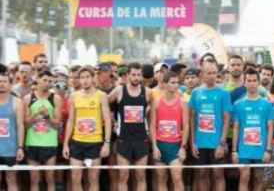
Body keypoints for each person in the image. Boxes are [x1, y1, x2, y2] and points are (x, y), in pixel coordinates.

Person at [63, 66, 112, 191]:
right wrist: (65, 144)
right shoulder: (74, 96)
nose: (84, 80)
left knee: (93, 179)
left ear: (93, 78)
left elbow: (107, 120)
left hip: (95, 143)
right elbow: (70, 120)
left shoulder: (101, 96)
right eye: (82, 77)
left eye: (87, 77)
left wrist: (106, 143)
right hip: (77, 142)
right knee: (75, 177)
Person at [108, 62, 152, 191]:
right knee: (123, 176)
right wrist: (113, 121)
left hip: (141, 139)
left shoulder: (148, 92)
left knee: (141, 176)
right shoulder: (119, 90)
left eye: (139, 75)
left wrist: (148, 114)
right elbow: (104, 103)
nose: (136, 78)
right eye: (133, 74)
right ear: (127, 75)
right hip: (124, 139)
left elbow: (153, 112)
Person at [189, 59, 232, 191]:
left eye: (214, 73)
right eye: (209, 73)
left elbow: (227, 119)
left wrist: (222, 143)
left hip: (216, 143)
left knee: (218, 175)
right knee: (201, 174)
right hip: (200, 143)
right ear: (202, 74)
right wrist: (192, 142)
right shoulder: (196, 92)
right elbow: (192, 119)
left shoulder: (223, 93)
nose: (212, 76)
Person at [231, 68, 274, 191]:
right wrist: (234, 151)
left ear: (258, 82)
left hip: (261, 149)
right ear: (244, 83)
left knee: (258, 178)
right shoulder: (238, 104)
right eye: (249, 80)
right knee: (244, 177)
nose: (251, 83)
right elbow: (236, 128)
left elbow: (270, 127)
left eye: (254, 80)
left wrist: (268, 150)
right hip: (244, 149)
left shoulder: (266, 104)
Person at [150, 71, 190, 191]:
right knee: (161, 178)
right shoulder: (156, 102)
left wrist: (183, 147)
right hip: (160, 144)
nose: (176, 85)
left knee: (177, 177)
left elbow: (186, 126)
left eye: (177, 82)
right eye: (173, 82)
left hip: (175, 145)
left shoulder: (182, 103)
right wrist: (154, 146)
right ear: (165, 84)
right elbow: (152, 125)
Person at [24, 70, 62, 191]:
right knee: (34, 180)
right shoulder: (28, 98)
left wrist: (47, 116)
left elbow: (57, 125)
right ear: (38, 80)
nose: (47, 83)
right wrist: (36, 114)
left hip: (49, 143)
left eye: (50, 81)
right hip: (32, 143)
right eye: (45, 80)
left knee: (50, 178)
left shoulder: (55, 98)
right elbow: (25, 125)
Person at [0, 70, 25, 191]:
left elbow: (20, 125)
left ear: (10, 84)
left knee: (12, 180)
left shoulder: (17, 102)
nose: (1, 84)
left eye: (4, 81)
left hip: (11, 148)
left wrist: (20, 147)